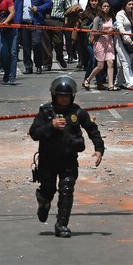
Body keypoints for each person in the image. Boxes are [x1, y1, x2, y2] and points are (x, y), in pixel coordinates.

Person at [29, 75, 104, 238]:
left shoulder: (78, 112)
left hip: (68, 159)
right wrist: (51, 125)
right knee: (48, 190)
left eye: (67, 97)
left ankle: (62, 224)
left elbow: (93, 130)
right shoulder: (46, 112)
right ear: (54, 96)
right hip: (48, 159)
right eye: (60, 96)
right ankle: (43, 201)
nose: (63, 100)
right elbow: (34, 133)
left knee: (67, 189)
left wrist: (99, 149)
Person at [15, 0, 53, 75]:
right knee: (26, 47)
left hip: (36, 24)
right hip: (24, 24)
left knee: (37, 44)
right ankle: (28, 67)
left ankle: (38, 65)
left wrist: (38, 8)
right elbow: (16, 10)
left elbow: (49, 3)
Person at [84, 0, 117, 90]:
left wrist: (114, 30)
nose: (106, 8)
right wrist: (106, 32)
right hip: (100, 43)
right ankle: (88, 80)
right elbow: (94, 33)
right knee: (100, 66)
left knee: (110, 63)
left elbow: (115, 28)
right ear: (101, 8)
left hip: (109, 42)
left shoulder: (112, 18)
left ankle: (111, 85)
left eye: (107, 6)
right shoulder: (98, 18)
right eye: (104, 6)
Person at [115, 0, 133, 90]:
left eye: (132, 4)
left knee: (127, 62)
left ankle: (118, 82)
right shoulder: (120, 14)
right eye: (129, 4)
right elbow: (120, 27)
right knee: (126, 62)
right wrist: (126, 37)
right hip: (121, 41)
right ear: (124, 5)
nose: (131, 6)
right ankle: (130, 83)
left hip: (132, 41)